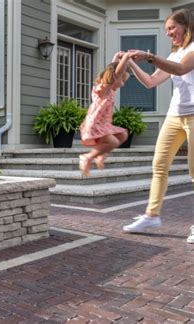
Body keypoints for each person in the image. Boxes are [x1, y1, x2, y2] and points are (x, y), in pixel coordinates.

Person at [122, 9, 194, 244]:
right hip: (174, 116)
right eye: (166, 30)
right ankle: (151, 215)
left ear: (186, 25)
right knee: (159, 165)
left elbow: (182, 69)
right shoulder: (174, 54)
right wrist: (131, 62)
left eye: (172, 28)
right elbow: (151, 82)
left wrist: (148, 56)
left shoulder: (191, 51)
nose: (169, 33)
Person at [78, 51, 130, 176]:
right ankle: (88, 157)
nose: (122, 84)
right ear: (113, 78)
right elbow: (114, 73)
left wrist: (116, 58)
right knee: (113, 142)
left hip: (103, 123)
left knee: (123, 135)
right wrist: (126, 58)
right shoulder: (102, 89)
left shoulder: (109, 88)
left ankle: (100, 155)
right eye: (121, 80)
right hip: (95, 123)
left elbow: (111, 70)